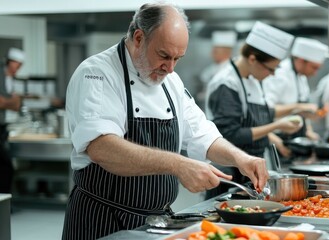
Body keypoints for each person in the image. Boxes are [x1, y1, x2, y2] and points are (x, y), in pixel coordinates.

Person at [62, 3, 268, 239]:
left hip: (156, 222)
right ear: (139, 38)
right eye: (164, 56)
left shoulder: (171, 82)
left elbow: (202, 135)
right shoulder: (97, 73)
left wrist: (241, 158)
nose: (170, 68)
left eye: (177, 59)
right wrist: (179, 164)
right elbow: (103, 148)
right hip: (102, 220)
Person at [205, 21, 300, 197]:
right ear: (252, 59)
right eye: (270, 69)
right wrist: (276, 126)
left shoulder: (253, 79)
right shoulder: (226, 83)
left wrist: (295, 110)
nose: (272, 74)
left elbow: (261, 114)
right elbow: (231, 135)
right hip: (229, 173)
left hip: (250, 169)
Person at [263, 37, 329, 156]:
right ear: (301, 60)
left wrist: (309, 131)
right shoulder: (279, 74)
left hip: (296, 138)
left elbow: (300, 111)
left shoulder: (301, 77)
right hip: (277, 139)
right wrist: (299, 107)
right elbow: (266, 111)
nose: (315, 73)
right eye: (314, 67)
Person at [0, 48, 23, 193]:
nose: (18, 67)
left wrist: (9, 102)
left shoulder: (11, 80)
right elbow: (5, 103)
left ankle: (6, 201)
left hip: (3, 128)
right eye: (16, 64)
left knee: (5, 166)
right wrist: (12, 101)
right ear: (9, 62)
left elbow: (16, 105)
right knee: (6, 166)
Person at [196, 31, 238, 109]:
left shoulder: (232, 69)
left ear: (227, 52)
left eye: (215, 51)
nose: (211, 54)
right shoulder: (210, 69)